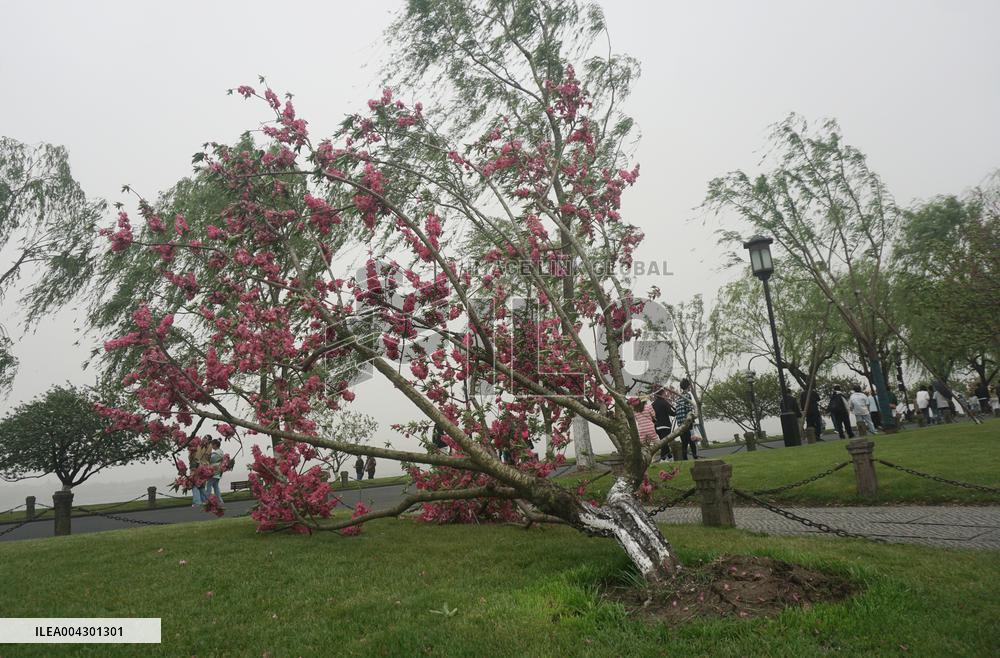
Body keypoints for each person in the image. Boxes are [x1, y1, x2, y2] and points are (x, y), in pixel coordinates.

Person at [674, 379, 698, 460]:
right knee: (692, 439)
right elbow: (689, 409)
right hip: (687, 421)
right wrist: (693, 420)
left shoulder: (678, 397)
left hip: (680, 422)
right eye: (689, 385)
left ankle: (685, 458)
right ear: (688, 386)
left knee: (684, 441)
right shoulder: (688, 395)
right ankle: (695, 455)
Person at [651, 387, 675, 460]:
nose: (665, 394)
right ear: (661, 393)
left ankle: (670, 457)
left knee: (664, 442)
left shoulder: (653, 404)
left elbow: (652, 416)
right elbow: (671, 413)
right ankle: (663, 458)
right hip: (665, 425)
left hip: (657, 426)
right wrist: (676, 411)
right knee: (664, 443)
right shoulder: (664, 402)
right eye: (664, 393)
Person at [189, 438, 211, 506]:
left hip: (196, 477)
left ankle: (197, 502)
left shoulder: (194, 460)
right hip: (200, 477)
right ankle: (206, 500)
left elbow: (193, 470)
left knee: (195, 488)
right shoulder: (198, 460)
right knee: (201, 488)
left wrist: (191, 477)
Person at [207, 439, 225, 504]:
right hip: (219, 471)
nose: (212, 446)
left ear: (215, 445)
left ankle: (208, 499)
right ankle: (219, 500)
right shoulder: (221, 452)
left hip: (214, 470)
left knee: (209, 485)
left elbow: (211, 460)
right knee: (215, 486)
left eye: (212, 445)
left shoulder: (216, 453)